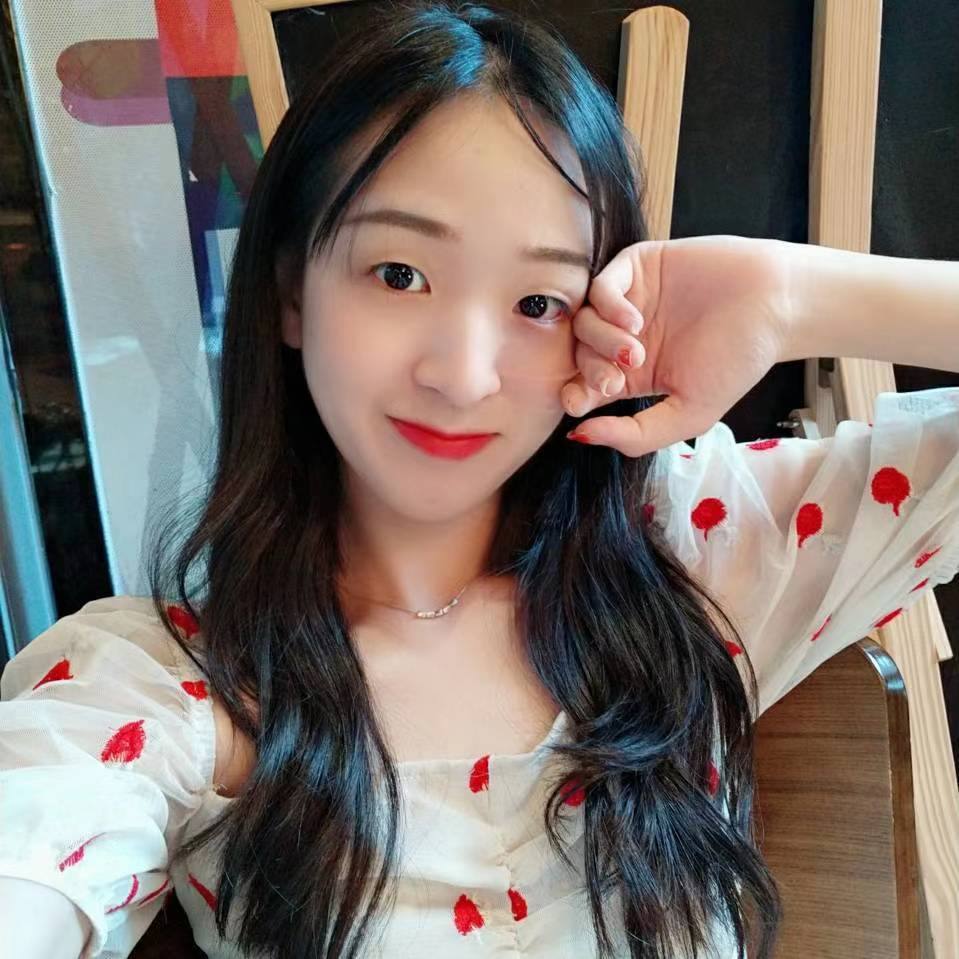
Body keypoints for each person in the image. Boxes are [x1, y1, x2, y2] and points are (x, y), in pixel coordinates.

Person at [1, 3, 957, 958]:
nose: (462, 376)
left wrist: (795, 297)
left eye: (538, 301)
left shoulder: (703, 551)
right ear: (292, 290)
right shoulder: (166, 691)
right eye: (398, 274)